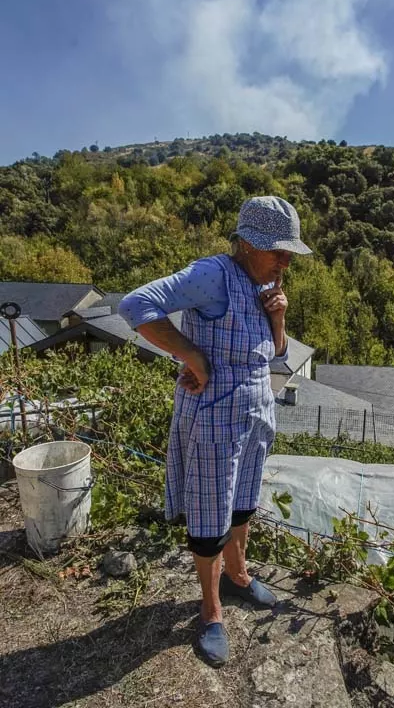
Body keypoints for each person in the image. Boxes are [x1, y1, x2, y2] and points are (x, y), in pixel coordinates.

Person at [118, 196, 312, 666]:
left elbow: (277, 354)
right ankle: (210, 610)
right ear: (247, 244)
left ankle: (237, 575)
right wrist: (192, 356)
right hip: (214, 414)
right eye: (278, 251)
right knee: (210, 514)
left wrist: (279, 317)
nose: (285, 262)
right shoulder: (213, 274)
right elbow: (136, 304)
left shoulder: (262, 285)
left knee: (243, 501)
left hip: (256, 410)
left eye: (289, 253)